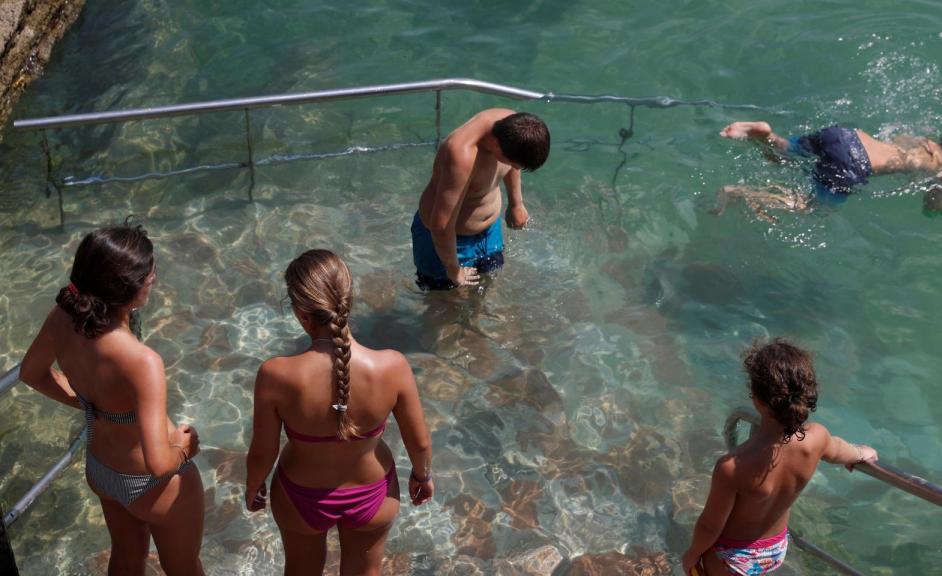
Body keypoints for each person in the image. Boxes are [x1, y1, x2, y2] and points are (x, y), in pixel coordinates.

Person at [20, 224, 205, 575]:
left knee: (126, 559)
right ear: (132, 288)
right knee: (183, 567)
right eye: (151, 271)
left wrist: (89, 405)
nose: (153, 277)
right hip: (152, 486)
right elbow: (159, 464)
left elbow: (32, 373)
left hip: (102, 471)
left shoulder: (62, 318)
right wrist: (184, 447)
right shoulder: (142, 361)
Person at [245, 249, 433, 575]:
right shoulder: (392, 366)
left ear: (301, 313)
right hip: (373, 492)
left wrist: (253, 485)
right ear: (348, 298)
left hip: (299, 496)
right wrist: (422, 475)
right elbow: (419, 443)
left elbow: (263, 452)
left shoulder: (275, 374)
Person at [682, 339, 878, 576]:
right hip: (774, 550)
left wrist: (692, 553)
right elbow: (841, 451)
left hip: (734, 559)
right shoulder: (817, 438)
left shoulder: (732, 467)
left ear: (756, 398)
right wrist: (861, 453)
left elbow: (709, 526)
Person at [716, 121, 942, 220]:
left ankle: (765, 134)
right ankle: (739, 192)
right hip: (852, 164)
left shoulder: (919, 140)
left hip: (846, 136)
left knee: (789, 151)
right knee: (811, 208)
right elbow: (933, 208)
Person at [412, 108, 550, 290]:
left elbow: (513, 166)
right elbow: (441, 226)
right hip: (448, 242)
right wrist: (454, 270)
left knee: (487, 288)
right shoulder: (462, 156)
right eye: (513, 164)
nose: (514, 168)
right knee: (448, 304)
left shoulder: (512, 124)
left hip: (490, 232)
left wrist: (516, 204)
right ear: (499, 149)